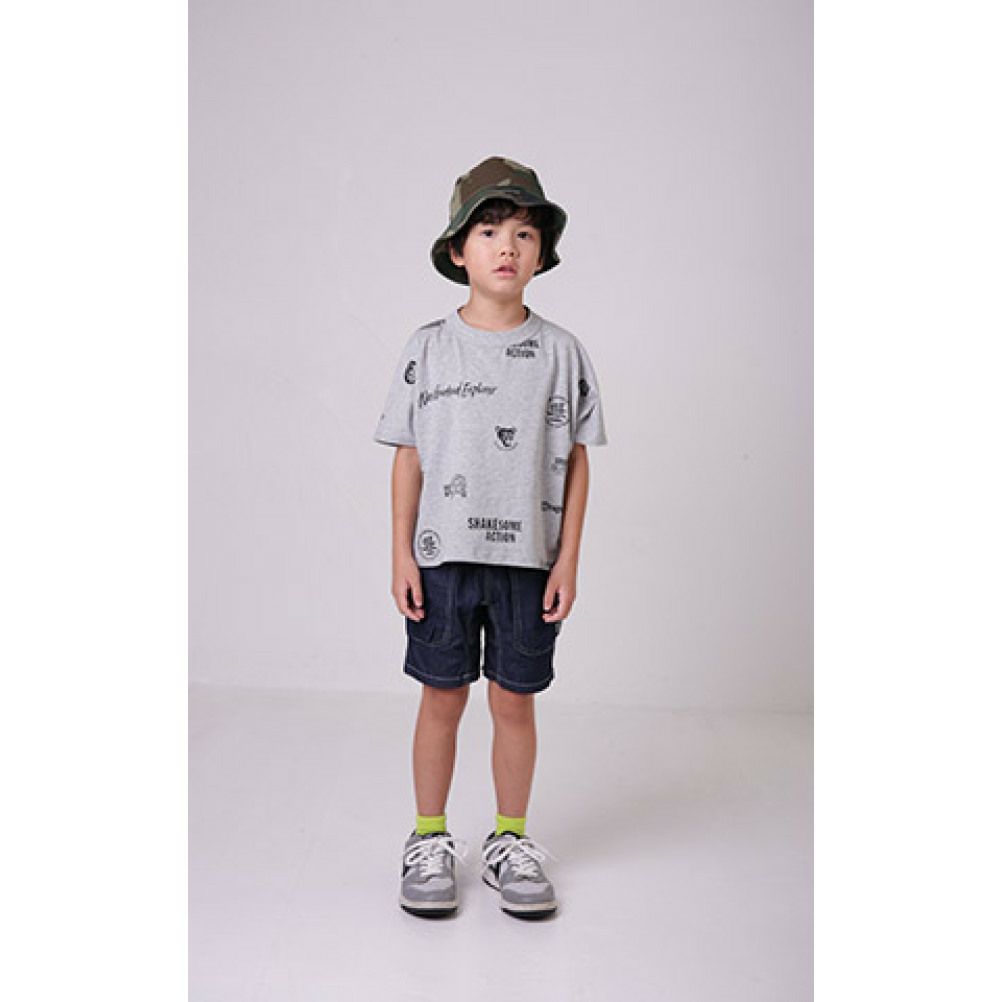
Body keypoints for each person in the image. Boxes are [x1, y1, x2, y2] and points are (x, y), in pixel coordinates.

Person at [373, 156, 608, 919]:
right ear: (457, 250)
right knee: (441, 697)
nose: (507, 246)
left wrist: (568, 559)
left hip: (528, 563)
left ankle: (510, 839)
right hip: (442, 561)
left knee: (514, 701)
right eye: (488, 231)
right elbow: (409, 456)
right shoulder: (427, 348)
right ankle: (428, 837)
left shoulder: (563, 353)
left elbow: (577, 461)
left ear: (541, 255)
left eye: (524, 234)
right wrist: (401, 551)